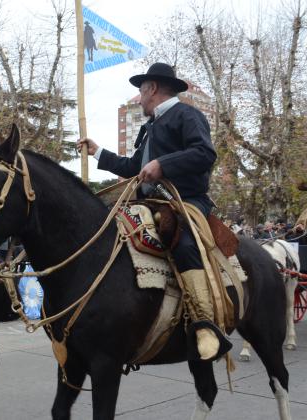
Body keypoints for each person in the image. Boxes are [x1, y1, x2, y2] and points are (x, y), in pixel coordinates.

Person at [76, 62, 229, 361]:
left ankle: (205, 323)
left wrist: (163, 165)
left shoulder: (188, 114)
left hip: (185, 201)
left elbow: (205, 153)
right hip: (150, 202)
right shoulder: (151, 127)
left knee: (183, 244)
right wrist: (99, 152)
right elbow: (134, 167)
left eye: (141, 91)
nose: (140, 98)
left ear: (152, 89)